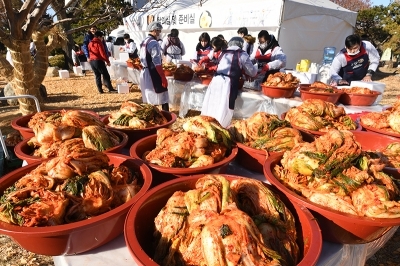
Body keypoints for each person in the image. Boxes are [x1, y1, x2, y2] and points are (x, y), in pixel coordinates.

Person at [201, 37, 258, 127]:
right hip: (228, 82)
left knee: (212, 104)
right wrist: (255, 68)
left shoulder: (223, 52)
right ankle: (221, 127)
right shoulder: (242, 54)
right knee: (225, 107)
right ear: (241, 44)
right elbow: (252, 72)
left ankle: (206, 124)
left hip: (216, 80)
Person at [139, 21, 169, 111]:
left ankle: (152, 112)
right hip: (152, 71)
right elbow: (156, 61)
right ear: (155, 31)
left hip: (145, 70)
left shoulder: (144, 41)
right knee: (162, 92)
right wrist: (162, 76)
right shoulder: (153, 43)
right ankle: (164, 113)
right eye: (159, 31)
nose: (159, 33)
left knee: (149, 93)